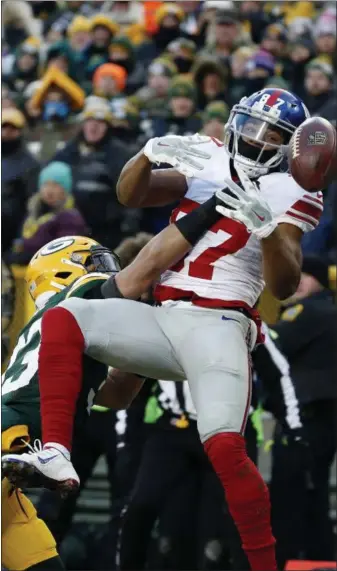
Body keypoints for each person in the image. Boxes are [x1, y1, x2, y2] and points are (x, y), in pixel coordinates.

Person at [4, 88, 323, 571]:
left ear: (289, 146)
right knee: (65, 318)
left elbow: (283, 284)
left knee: (225, 448)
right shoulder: (210, 156)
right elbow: (131, 192)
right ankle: (57, 452)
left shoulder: (295, 188)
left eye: (271, 134)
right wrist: (147, 152)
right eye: (251, 125)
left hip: (220, 321)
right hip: (163, 313)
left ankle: (264, 566)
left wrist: (269, 230)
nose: (256, 140)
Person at [1, 194, 235, 571]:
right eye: (96, 264)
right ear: (65, 272)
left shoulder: (60, 331)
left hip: (13, 461)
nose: (108, 272)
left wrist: (144, 334)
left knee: (42, 565)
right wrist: (209, 211)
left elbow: (117, 394)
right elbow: (147, 265)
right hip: (8, 435)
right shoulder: (77, 297)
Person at [269, 255, 337, 568]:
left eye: (302, 277)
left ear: (318, 280)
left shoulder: (308, 311)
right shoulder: (330, 310)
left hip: (306, 418)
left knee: (291, 492)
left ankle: (290, 559)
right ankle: (319, 558)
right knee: (315, 490)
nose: (295, 284)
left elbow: (273, 345)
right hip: (323, 417)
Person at [5, 162, 88, 266]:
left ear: (65, 189)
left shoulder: (70, 218)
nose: (49, 190)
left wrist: (26, 256)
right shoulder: (33, 212)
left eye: (55, 185)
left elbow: (62, 253)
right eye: (46, 184)